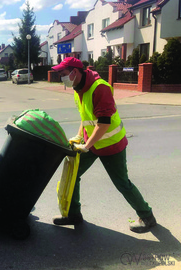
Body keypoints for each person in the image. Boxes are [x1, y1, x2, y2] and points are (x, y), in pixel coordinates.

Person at [51, 57, 156, 233]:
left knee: (122, 183)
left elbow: (104, 122)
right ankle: (73, 214)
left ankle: (147, 216)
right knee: (72, 175)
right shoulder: (79, 88)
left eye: (63, 74)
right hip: (92, 143)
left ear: (74, 72)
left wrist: (86, 145)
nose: (61, 78)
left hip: (111, 145)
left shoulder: (100, 88)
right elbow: (86, 118)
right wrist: (79, 136)